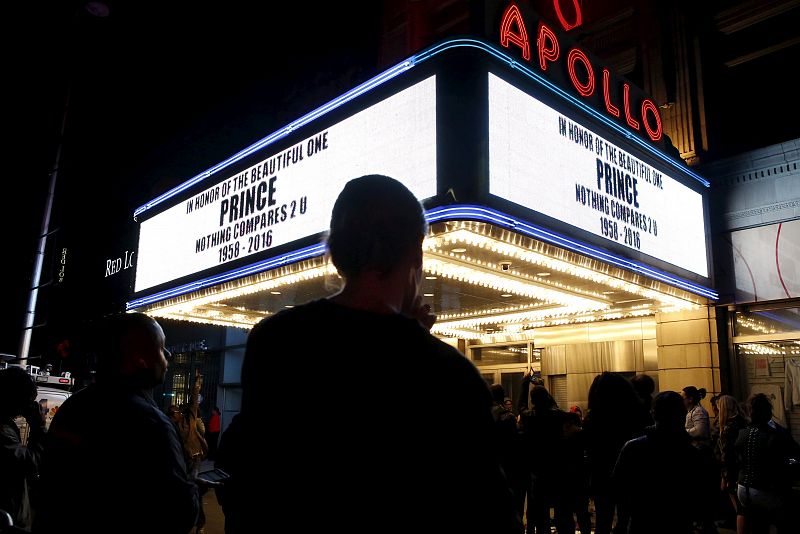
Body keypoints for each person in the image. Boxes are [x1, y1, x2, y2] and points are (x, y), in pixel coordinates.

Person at [215, 175, 520, 534]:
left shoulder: (276, 339)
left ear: (337, 252)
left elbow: (250, 474)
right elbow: (489, 512)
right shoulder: (450, 373)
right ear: (415, 253)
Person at [34, 312, 199, 533]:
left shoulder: (74, 406)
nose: (167, 354)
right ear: (140, 358)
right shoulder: (151, 424)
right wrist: (193, 488)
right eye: (161, 347)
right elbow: (178, 514)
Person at [612, 391, 704, 533]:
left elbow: (619, 489)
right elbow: (701, 502)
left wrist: (622, 522)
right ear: (682, 414)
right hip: (679, 524)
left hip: (641, 523)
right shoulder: (693, 454)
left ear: (653, 413)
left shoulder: (633, 448)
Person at [735, 393, 800, 534]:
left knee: (756, 523)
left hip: (743, 488)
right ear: (769, 412)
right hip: (763, 489)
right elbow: (793, 455)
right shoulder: (776, 435)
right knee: (784, 519)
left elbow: (737, 459)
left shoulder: (742, 433)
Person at [0, 366, 45, 530]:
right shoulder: (3, 430)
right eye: (26, 400)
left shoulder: (7, 425)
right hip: (8, 522)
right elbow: (32, 463)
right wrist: (38, 427)